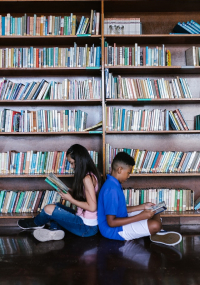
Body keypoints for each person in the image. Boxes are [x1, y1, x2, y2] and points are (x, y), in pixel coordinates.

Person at [18, 144, 101, 242]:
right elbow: (87, 194)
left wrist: (70, 199)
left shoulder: (87, 178)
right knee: (55, 206)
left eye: (72, 163)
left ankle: (37, 223)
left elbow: (92, 207)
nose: (71, 166)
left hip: (86, 227)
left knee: (49, 209)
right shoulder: (91, 174)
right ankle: (54, 230)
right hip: (85, 221)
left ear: (79, 161)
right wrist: (70, 190)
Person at [98, 152, 182, 246]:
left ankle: (155, 232)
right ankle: (156, 231)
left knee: (154, 210)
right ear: (120, 169)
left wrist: (142, 206)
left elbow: (118, 209)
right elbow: (111, 222)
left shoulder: (114, 184)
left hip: (120, 218)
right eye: (128, 173)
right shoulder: (111, 189)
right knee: (156, 225)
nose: (129, 176)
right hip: (113, 231)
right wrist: (141, 216)